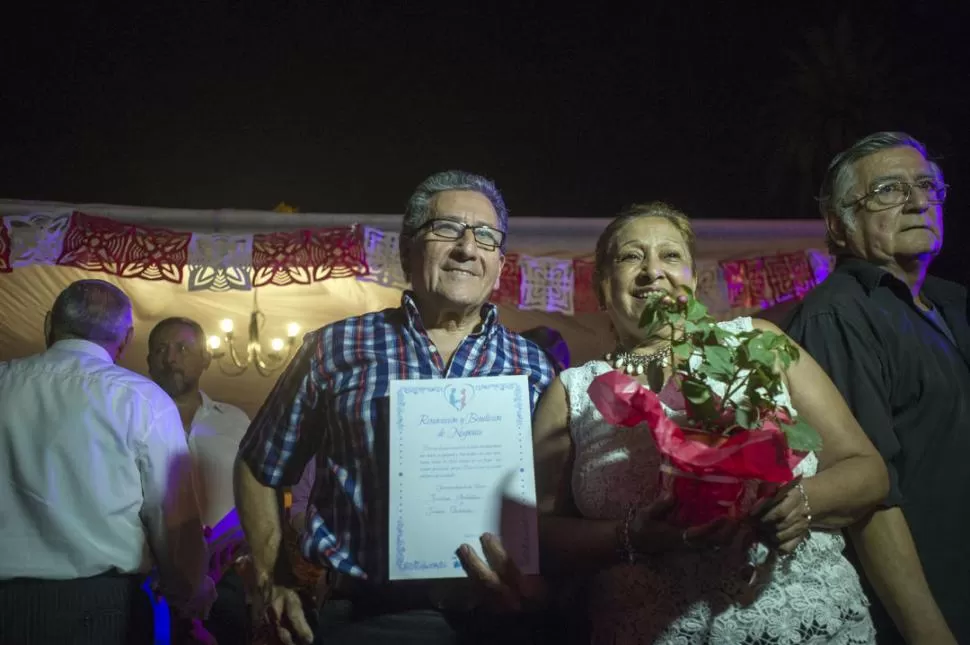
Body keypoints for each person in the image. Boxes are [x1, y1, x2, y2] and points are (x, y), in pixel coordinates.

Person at [532, 202, 889, 644]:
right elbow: (540, 533)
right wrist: (631, 536)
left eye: (670, 255)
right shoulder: (569, 392)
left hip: (805, 623)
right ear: (602, 288)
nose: (652, 271)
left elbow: (869, 470)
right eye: (630, 257)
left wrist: (803, 499)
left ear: (694, 282)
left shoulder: (757, 343)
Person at [234, 170, 557, 645]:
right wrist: (271, 576)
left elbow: (557, 503)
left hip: (500, 620)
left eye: (485, 236)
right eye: (447, 229)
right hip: (363, 620)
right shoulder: (335, 348)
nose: (467, 247)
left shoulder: (537, 368)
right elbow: (260, 464)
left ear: (499, 264)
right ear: (407, 251)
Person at [785, 132, 970, 645]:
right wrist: (930, 634)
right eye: (888, 190)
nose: (916, 201)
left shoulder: (952, 301)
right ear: (838, 224)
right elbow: (869, 493)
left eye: (927, 186)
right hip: (924, 613)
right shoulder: (838, 315)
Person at [0, 279, 213, 645]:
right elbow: (172, 519)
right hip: (101, 609)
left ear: (48, 322)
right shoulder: (142, 400)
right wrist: (190, 588)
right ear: (128, 338)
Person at [147, 316, 252, 644]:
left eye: (182, 347)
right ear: (149, 361)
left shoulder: (235, 421)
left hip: (228, 575)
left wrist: (230, 537)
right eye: (160, 349)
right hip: (153, 575)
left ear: (207, 357)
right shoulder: (133, 416)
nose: (171, 358)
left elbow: (254, 489)